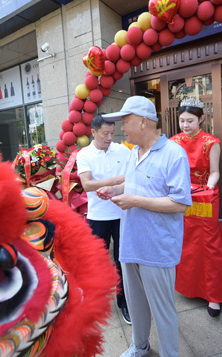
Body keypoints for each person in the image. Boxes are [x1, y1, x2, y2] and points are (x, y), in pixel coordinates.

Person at [98, 96, 192, 357]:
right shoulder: (133, 153)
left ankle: (169, 353)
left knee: (163, 309)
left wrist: (135, 201)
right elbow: (133, 184)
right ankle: (139, 345)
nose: (122, 128)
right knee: (136, 303)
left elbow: (180, 203)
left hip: (157, 246)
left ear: (143, 122)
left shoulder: (174, 153)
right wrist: (114, 189)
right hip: (130, 243)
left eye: (125, 122)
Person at [169, 97, 222, 317]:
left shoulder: (211, 142)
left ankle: (214, 294)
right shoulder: (173, 142)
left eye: (190, 121)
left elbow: (215, 172)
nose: (185, 125)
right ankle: (187, 286)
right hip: (181, 196)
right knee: (184, 239)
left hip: (205, 196)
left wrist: (207, 187)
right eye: (182, 121)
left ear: (202, 119)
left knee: (209, 242)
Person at [76, 114, 132, 324]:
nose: (110, 137)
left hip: (121, 213)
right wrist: (117, 179)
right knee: (96, 260)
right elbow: (87, 184)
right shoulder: (84, 154)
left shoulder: (123, 150)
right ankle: (95, 302)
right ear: (93, 132)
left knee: (121, 260)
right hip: (98, 215)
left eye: (112, 133)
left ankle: (124, 301)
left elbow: (132, 175)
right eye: (105, 133)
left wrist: (112, 182)